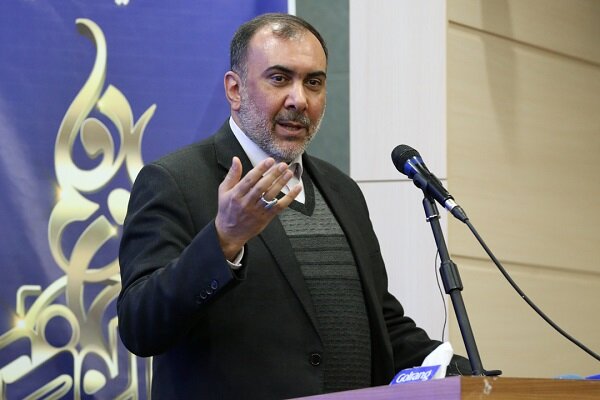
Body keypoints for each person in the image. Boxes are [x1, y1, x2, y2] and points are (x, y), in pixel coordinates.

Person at [117, 12, 470, 399]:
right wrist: (223, 242)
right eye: (279, 78)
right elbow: (140, 326)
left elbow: (379, 323)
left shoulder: (342, 191)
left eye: (313, 82)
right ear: (235, 90)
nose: (299, 100)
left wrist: (459, 372)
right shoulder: (175, 181)